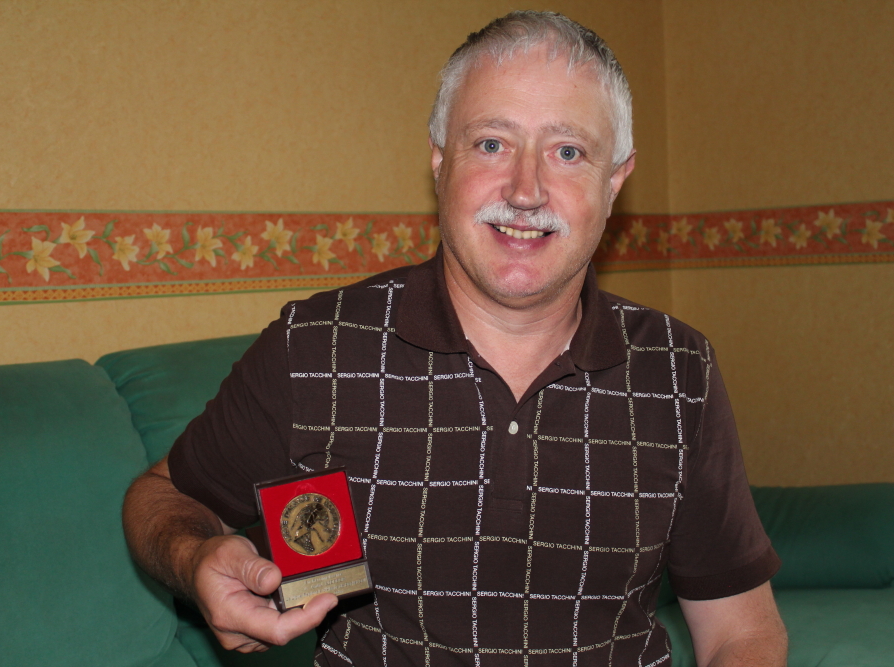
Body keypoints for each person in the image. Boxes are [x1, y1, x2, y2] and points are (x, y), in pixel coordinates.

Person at [123, 11, 787, 667]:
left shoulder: (677, 369)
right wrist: (194, 555)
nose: (526, 191)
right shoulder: (317, 347)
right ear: (439, 164)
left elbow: (742, 632)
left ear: (614, 181)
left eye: (568, 152)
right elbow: (158, 496)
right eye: (492, 143)